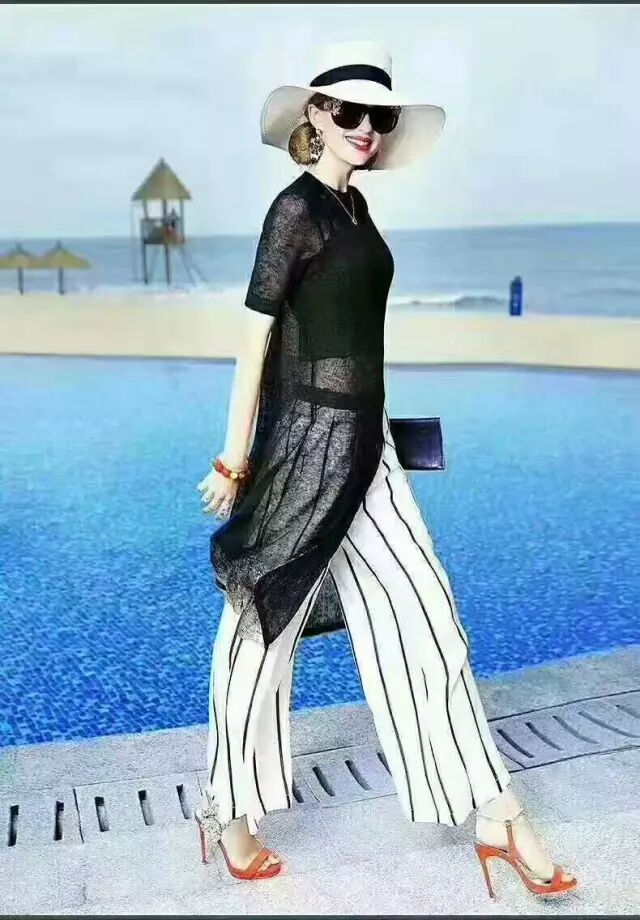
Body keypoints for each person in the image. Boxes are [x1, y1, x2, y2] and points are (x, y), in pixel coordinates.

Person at [195, 40, 578, 897]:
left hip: (367, 453)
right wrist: (235, 455)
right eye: (349, 111)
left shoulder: (356, 210)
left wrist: (383, 432)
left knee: (431, 623)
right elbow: (255, 338)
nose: (366, 127)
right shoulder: (294, 210)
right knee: (261, 629)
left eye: (381, 115)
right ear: (314, 115)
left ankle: (497, 811)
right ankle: (226, 807)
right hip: (303, 456)